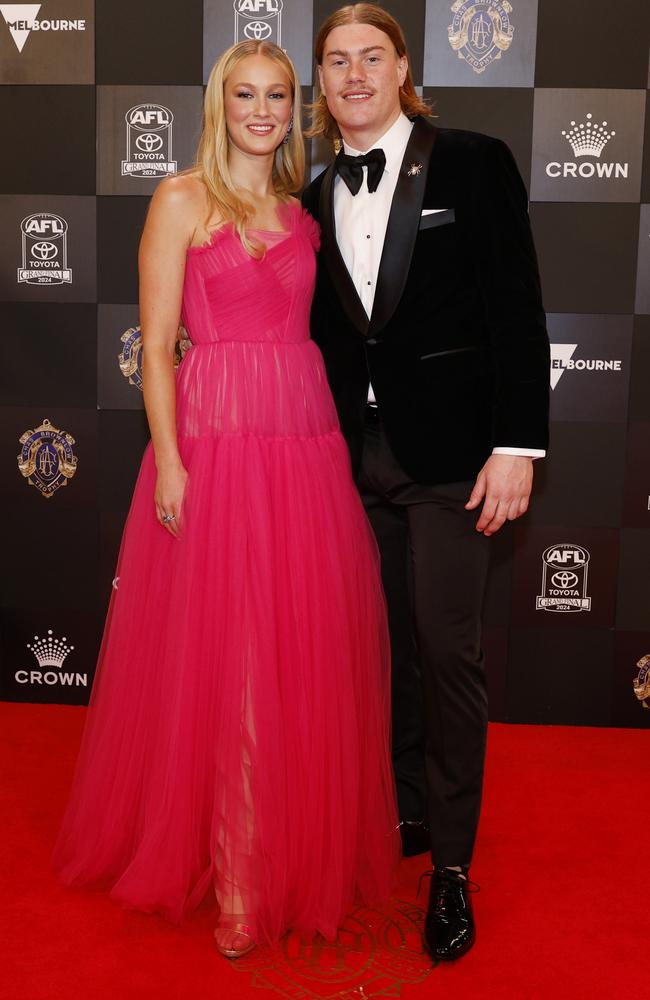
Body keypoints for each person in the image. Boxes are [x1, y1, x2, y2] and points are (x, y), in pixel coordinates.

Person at [51, 39, 399, 959]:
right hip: (213, 442)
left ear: (296, 107)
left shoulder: (302, 210)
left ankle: (273, 843)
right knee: (231, 655)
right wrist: (169, 462)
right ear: (220, 104)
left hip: (302, 443)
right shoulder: (179, 199)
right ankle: (239, 869)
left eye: (276, 95)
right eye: (243, 93)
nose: (260, 109)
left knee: (294, 651)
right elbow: (159, 343)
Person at [302, 4, 550, 962]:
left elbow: (518, 310)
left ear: (403, 67)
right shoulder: (315, 192)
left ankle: (450, 866)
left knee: (447, 657)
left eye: (372, 57)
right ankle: (403, 811)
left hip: (451, 461)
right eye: (336, 60)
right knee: (381, 652)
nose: (354, 74)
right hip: (346, 463)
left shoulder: (474, 161)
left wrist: (517, 446)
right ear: (320, 82)